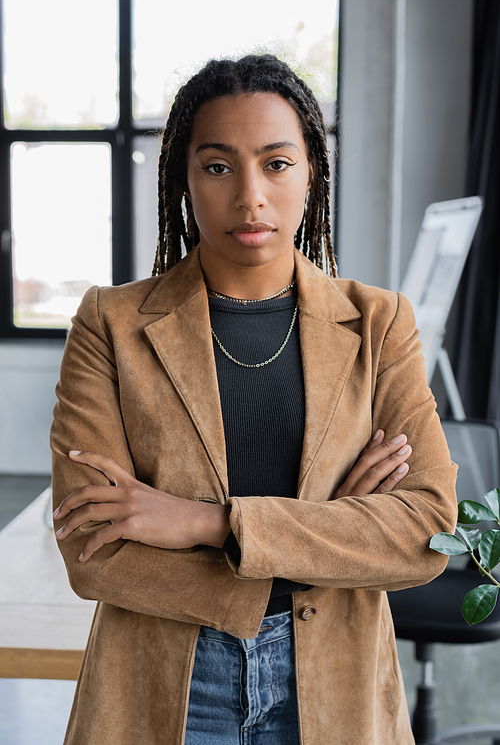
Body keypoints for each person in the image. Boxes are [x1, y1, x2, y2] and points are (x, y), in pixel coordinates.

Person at [51, 54, 457, 745]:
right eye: (217, 166)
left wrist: (207, 524)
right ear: (183, 176)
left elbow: (424, 533)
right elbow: (95, 551)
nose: (250, 196)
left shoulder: (380, 323)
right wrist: (334, 531)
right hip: (166, 680)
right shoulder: (109, 324)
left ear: (311, 173)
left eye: (276, 163)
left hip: (336, 679)